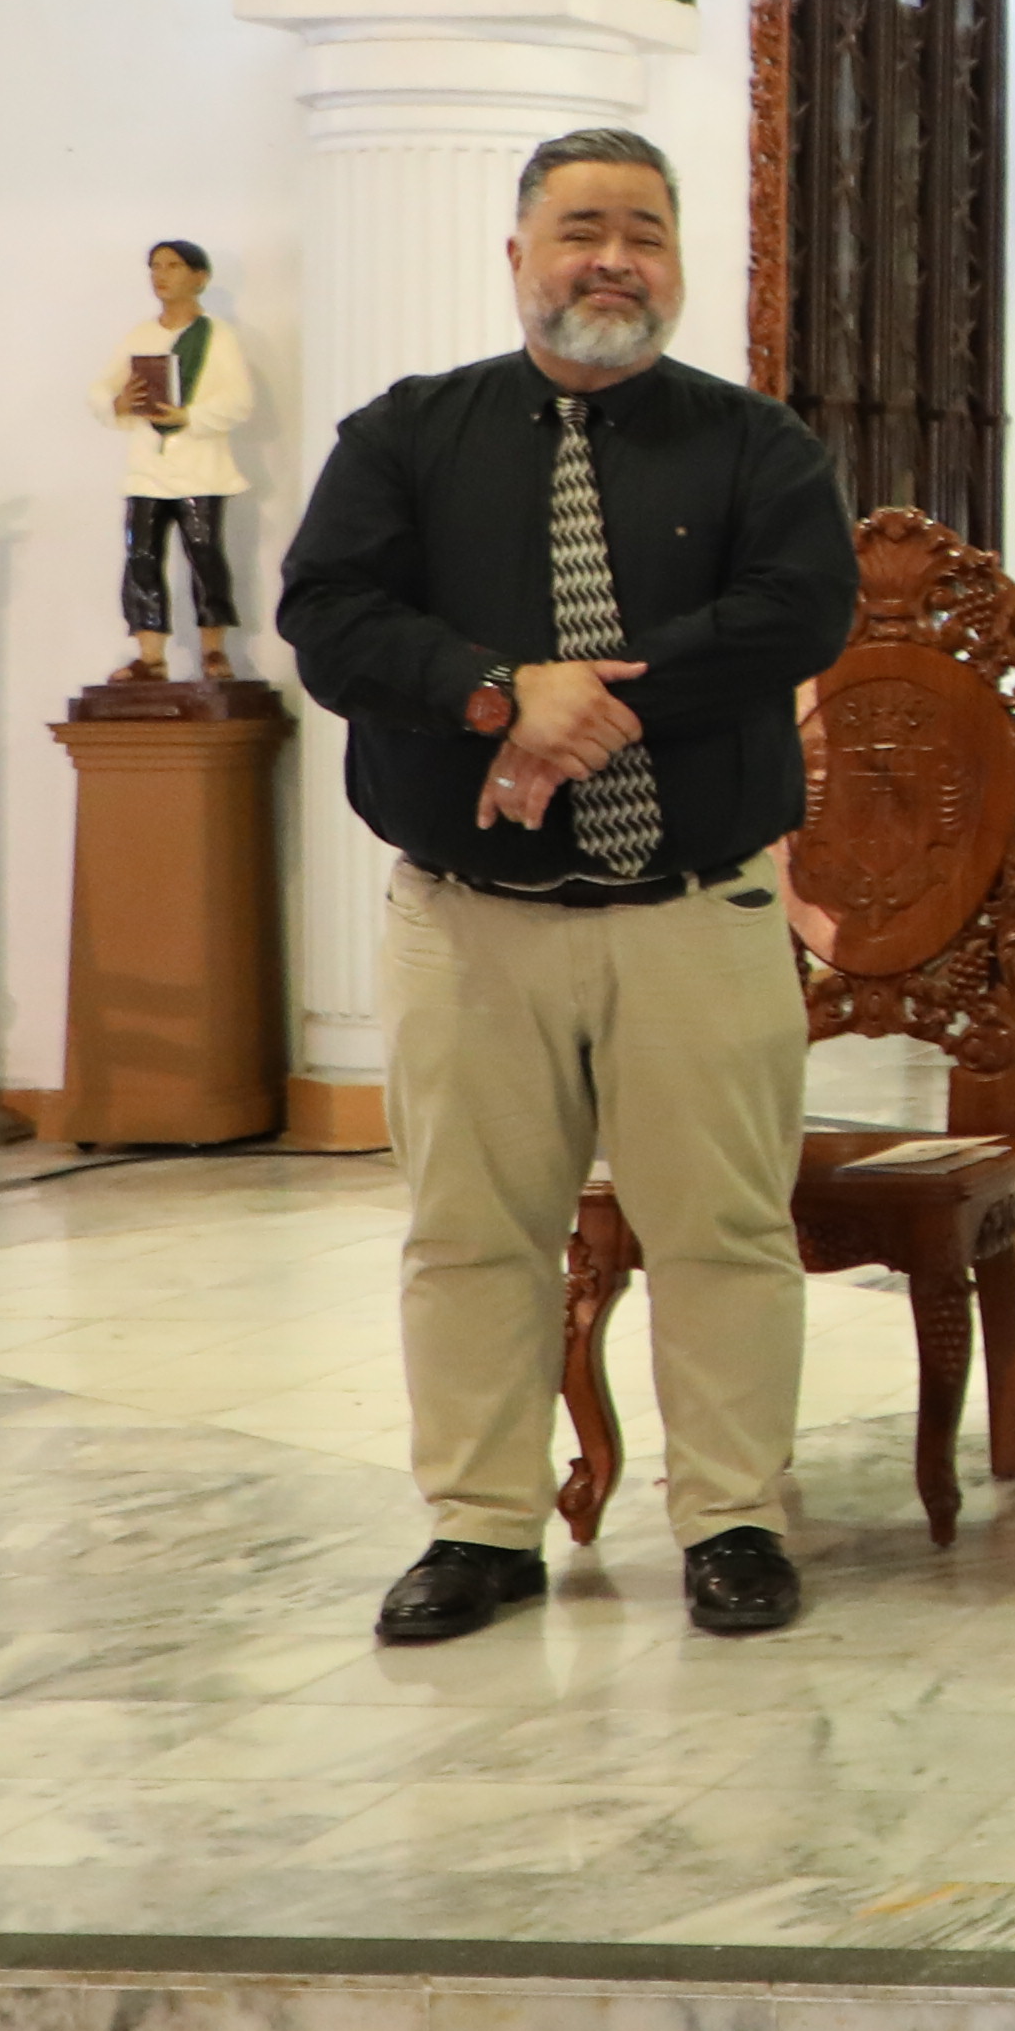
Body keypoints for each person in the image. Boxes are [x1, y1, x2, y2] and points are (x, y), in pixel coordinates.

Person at [280, 130, 854, 1644]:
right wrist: (490, 693)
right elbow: (329, 622)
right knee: (471, 1234)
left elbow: (798, 613)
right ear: (518, 253)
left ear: (679, 261)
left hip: (698, 918)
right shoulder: (406, 437)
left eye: (645, 234)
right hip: (473, 926)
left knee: (725, 1233)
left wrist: (584, 702)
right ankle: (479, 1528)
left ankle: (731, 1516)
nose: (615, 259)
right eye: (582, 229)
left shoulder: (757, 447)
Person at [106, 238, 261, 683]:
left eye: (173, 266)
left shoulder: (218, 337)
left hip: (200, 470)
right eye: (155, 266)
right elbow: (103, 390)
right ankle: (149, 654)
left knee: (205, 555)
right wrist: (119, 401)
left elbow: (239, 401)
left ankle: (214, 649)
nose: (161, 275)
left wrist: (189, 416)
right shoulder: (140, 335)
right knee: (140, 556)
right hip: (147, 472)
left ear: (200, 276)